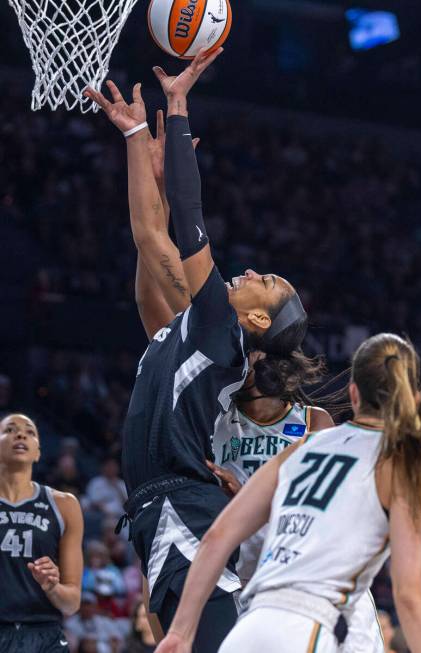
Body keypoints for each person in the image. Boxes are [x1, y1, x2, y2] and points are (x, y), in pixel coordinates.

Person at [84, 47, 322, 652]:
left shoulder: (222, 329)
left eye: (264, 280)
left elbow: (189, 218)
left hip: (178, 509)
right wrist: (136, 135)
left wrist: (179, 102)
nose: (248, 270)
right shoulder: (185, 331)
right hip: (164, 510)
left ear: (260, 318)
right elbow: (148, 233)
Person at [154, 333, 421, 653]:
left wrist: (180, 633)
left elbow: (217, 537)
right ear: (416, 399)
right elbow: (410, 593)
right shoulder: (404, 463)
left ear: (354, 395)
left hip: (249, 626)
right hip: (313, 625)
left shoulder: (305, 447)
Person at [0, 413, 83, 653]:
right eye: (10, 429)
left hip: (44, 636)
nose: (21, 434)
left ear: (37, 453)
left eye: (30, 431)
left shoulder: (64, 505)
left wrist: (52, 587)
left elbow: (72, 603)